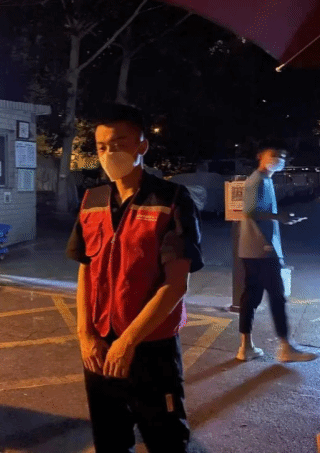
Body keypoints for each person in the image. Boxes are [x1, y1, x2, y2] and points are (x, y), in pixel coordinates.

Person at [66, 105, 203, 454]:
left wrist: (128, 343)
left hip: (151, 348)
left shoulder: (171, 200)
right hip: (99, 347)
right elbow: (86, 268)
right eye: (101, 146)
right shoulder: (92, 199)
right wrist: (85, 335)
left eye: (119, 143)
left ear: (142, 145)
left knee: (166, 440)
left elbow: (176, 285)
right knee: (109, 440)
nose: (109, 153)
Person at [236, 141, 317, 363]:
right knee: (277, 296)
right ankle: (285, 347)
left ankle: (246, 347)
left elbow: (260, 212)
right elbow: (250, 211)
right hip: (263, 249)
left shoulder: (264, 180)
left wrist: (281, 218)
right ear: (260, 156)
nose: (279, 160)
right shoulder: (258, 181)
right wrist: (279, 217)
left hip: (253, 249)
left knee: (251, 297)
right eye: (274, 155)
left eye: (282, 157)